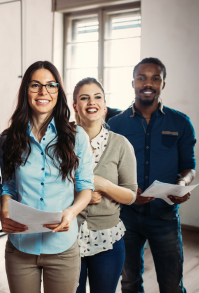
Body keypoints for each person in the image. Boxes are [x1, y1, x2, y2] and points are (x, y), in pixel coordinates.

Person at [0, 61, 94, 293]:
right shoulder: (9, 138)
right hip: (20, 248)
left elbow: (85, 187)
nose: (44, 92)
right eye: (36, 85)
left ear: (58, 92)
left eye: (51, 85)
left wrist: (71, 213)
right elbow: (8, 185)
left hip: (62, 248)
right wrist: (3, 209)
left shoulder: (76, 136)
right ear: (26, 91)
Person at [108, 57, 196, 293]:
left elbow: (189, 166)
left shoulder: (181, 122)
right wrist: (125, 192)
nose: (148, 83)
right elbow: (106, 169)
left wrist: (181, 183)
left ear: (163, 84)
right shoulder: (115, 125)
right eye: (142, 77)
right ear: (133, 82)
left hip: (164, 216)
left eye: (155, 78)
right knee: (130, 283)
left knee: (172, 285)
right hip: (126, 216)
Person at [72, 77, 137, 293]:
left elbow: (131, 195)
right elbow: (46, 186)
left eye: (97, 97)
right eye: (84, 97)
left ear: (104, 106)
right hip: (67, 237)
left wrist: (105, 185)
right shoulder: (59, 143)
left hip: (108, 239)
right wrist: (81, 193)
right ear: (75, 106)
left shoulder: (120, 144)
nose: (92, 102)